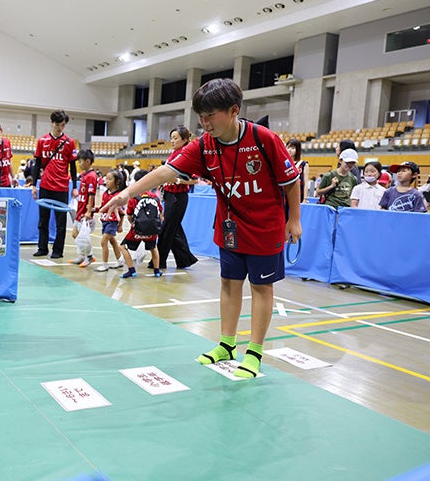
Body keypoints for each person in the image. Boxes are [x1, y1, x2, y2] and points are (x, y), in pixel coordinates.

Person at [102, 78, 302, 378]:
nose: (204, 123)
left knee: (261, 287)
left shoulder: (263, 139)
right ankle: (227, 344)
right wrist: (126, 193)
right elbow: (166, 172)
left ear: (234, 110)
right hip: (230, 225)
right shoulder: (205, 145)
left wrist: (294, 219)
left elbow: (290, 182)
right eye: (200, 117)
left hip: (265, 226)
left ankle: (255, 352)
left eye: (211, 116)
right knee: (229, 283)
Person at [31, 110, 78, 259]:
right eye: (58, 124)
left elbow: (73, 166)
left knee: (61, 222)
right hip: (45, 186)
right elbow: (37, 164)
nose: (60, 128)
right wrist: (33, 185)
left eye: (63, 125)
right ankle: (42, 248)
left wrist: (75, 187)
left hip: (62, 187)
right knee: (43, 220)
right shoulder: (42, 141)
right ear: (52, 122)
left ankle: (58, 251)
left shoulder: (69, 142)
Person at [152, 126, 198, 271]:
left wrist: (178, 181)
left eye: (175, 138)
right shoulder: (174, 153)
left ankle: (160, 261)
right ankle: (185, 259)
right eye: (171, 138)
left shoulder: (186, 155)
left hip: (178, 197)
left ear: (184, 140)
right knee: (174, 228)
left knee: (167, 228)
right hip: (169, 195)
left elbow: (195, 180)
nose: (172, 141)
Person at [117, 170, 163, 279]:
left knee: (123, 246)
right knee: (154, 248)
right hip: (152, 231)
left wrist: (135, 225)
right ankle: (157, 271)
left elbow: (129, 215)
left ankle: (131, 270)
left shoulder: (134, 197)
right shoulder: (155, 197)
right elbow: (160, 215)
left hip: (137, 231)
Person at [69, 149, 98, 267]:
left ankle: (89, 257)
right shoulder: (84, 175)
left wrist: (89, 211)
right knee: (75, 234)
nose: (79, 164)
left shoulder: (91, 176)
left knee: (83, 236)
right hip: (79, 209)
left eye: (80, 162)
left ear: (87, 161)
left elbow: (91, 195)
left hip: (85, 212)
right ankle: (82, 256)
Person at [94, 169, 126, 272]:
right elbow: (104, 207)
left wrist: (120, 225)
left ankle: (105, 264)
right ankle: (120, 261)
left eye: (110, 179)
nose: (107, 181)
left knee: (103, 241)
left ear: (117, 181)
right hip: (105, 220)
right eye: (106, 178)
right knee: (113, 241)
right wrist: (96, 209)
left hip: (112, 221)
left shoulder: (119, 196)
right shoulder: (105, 193)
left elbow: (122, 212)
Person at [285, 138, 309, 203]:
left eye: (293, 148)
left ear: (297, 150)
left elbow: (306, 182)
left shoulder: (303, 164)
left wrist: (305, 198)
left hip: (298, 195)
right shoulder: (284, 163)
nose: (289, 150)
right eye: (288, 147)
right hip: (285, 195)